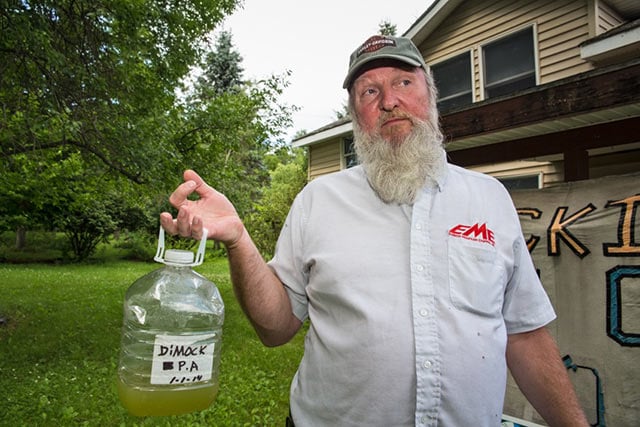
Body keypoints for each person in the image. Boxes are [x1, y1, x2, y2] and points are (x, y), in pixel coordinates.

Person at [160, 35, 588, 426]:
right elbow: (276, 329)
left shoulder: (491, 199)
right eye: (370, 91)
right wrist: (239, 239)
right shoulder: (318, 200)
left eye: (404, 82)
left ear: (431, 95)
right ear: (355, 115)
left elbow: (525, 335)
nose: (389, 101)